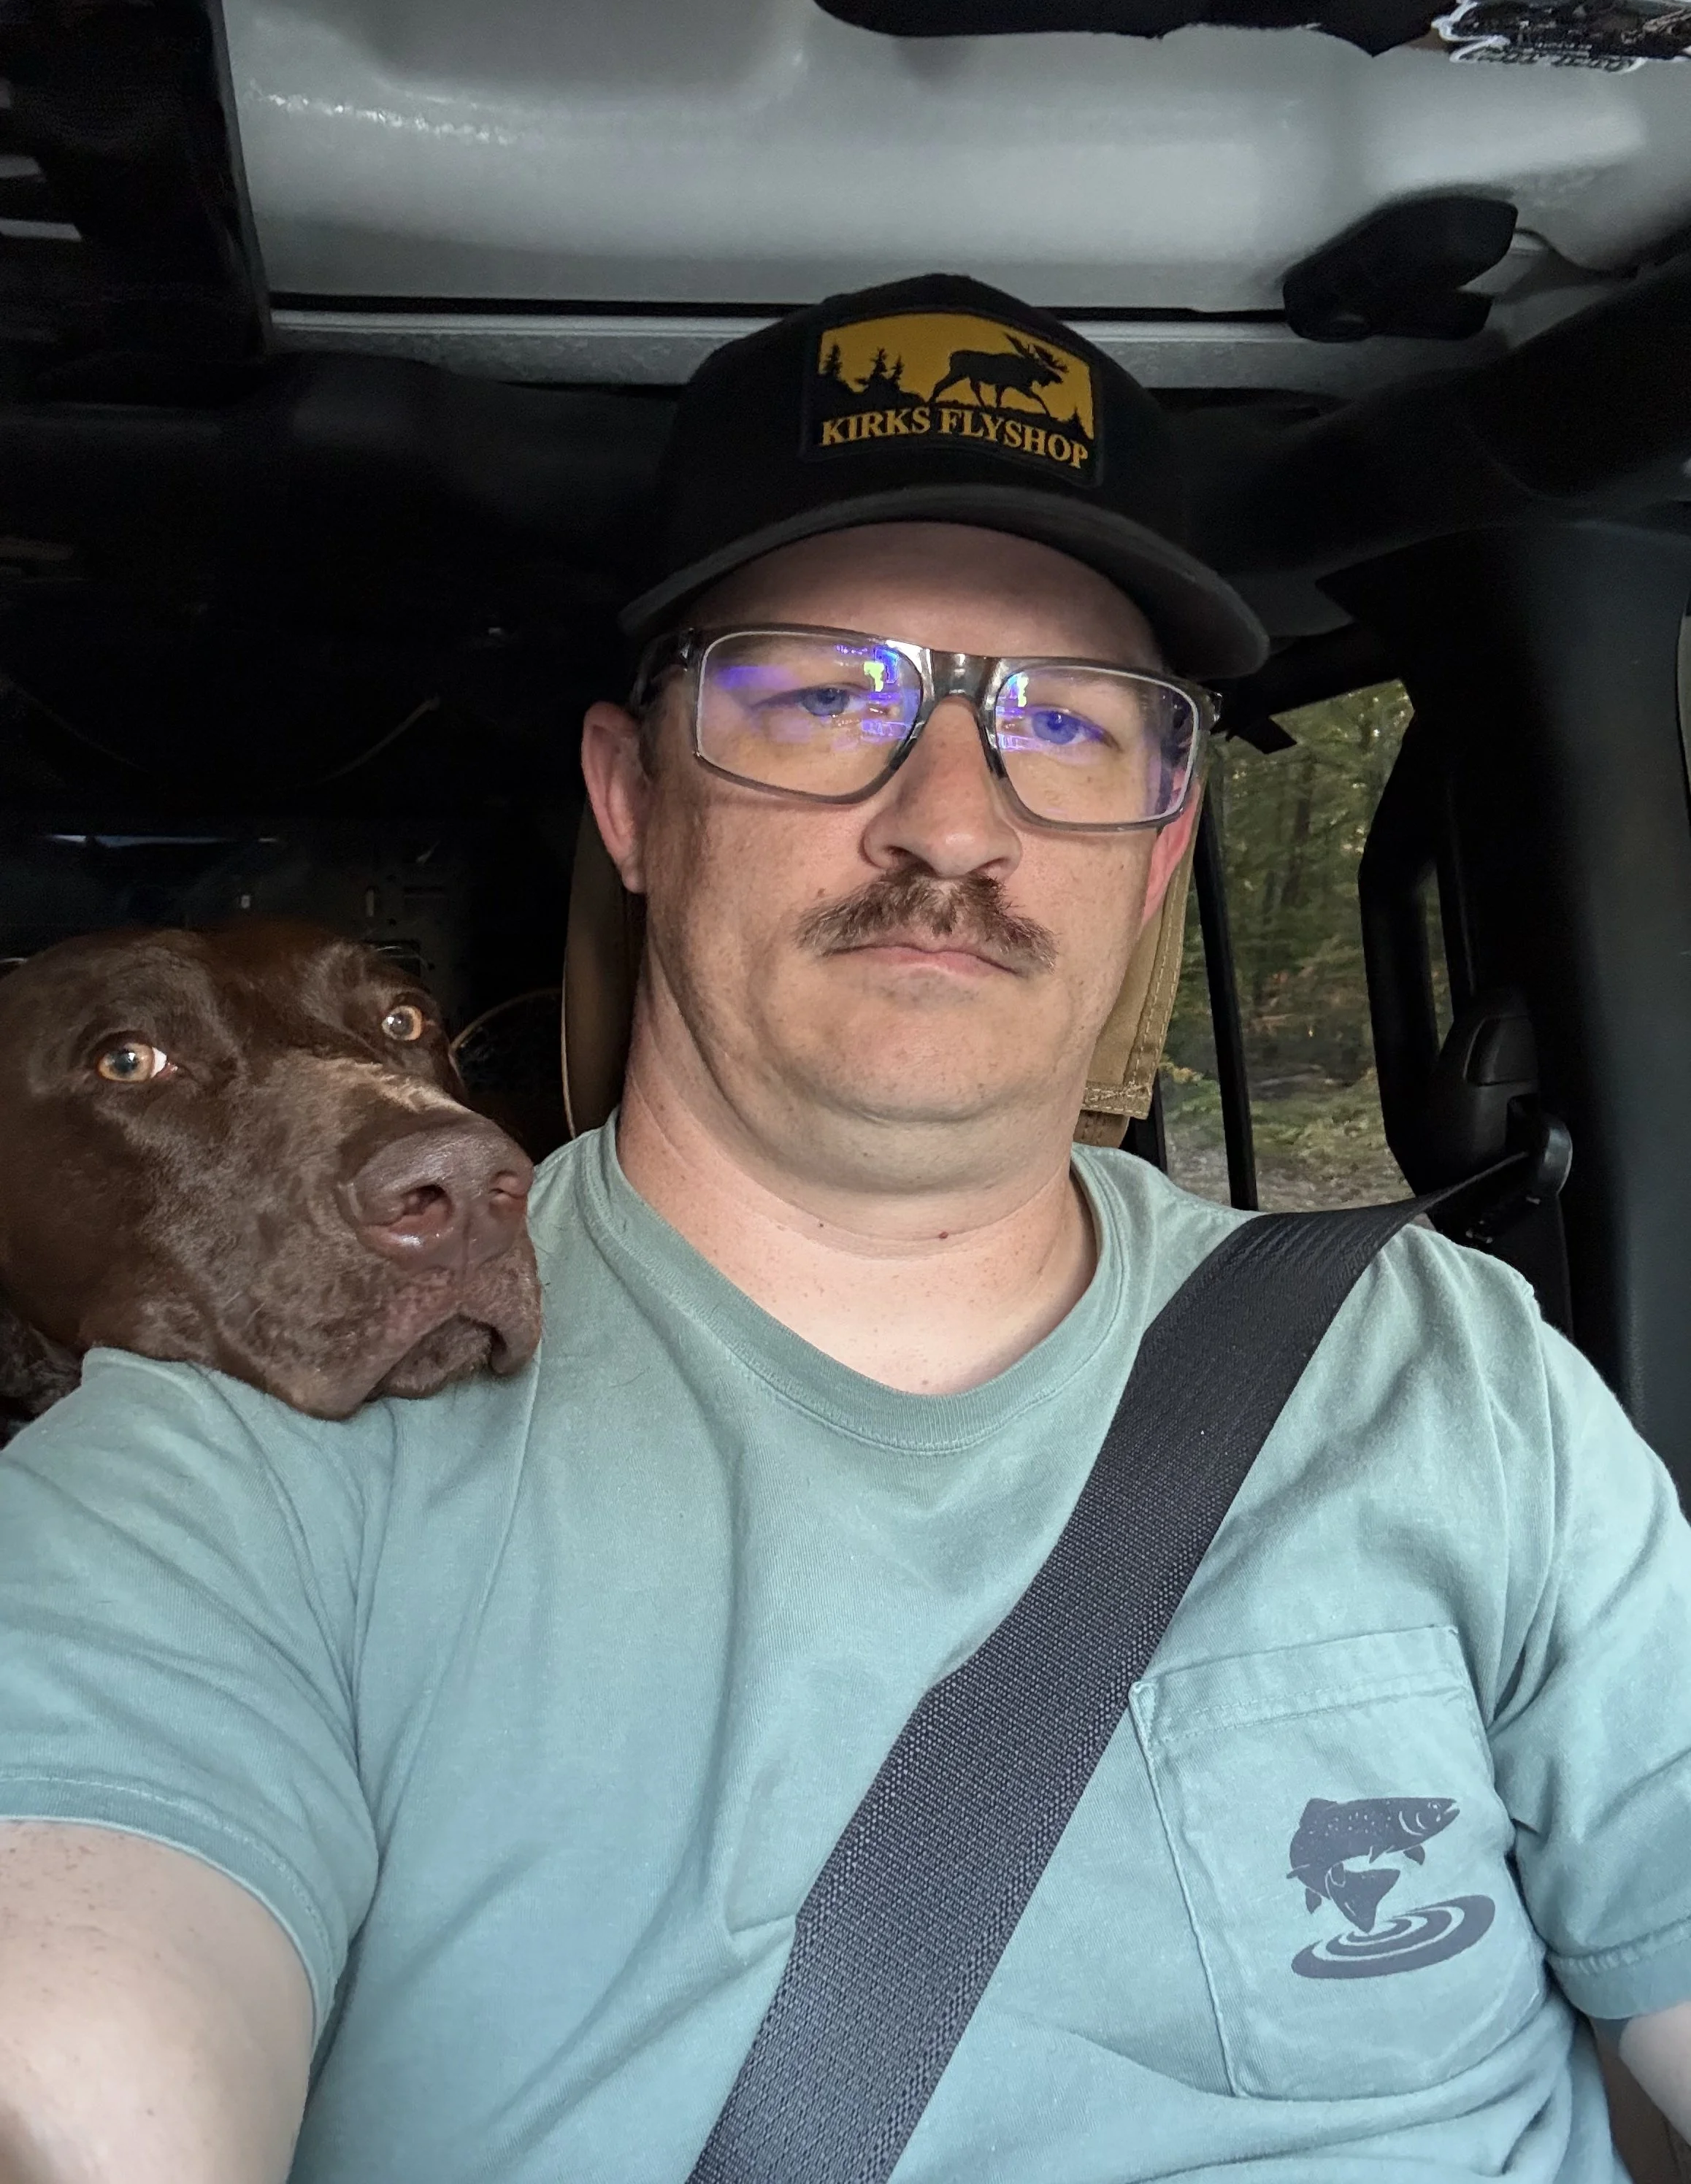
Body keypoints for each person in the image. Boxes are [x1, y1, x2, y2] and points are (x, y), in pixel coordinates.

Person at [0, 272, 1688, 2184]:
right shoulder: (246, 1441)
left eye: (1070, 725)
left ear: (1157, 852)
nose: (952, 822)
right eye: (819, 698)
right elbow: (80, 2032)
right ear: (631, 803)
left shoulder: (1440, 1357)